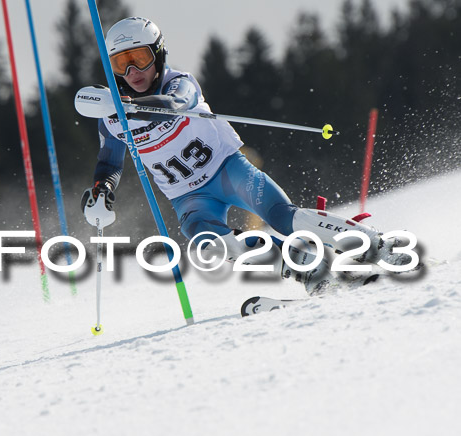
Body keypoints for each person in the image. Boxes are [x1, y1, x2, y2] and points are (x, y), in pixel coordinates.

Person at [80, 17, 410, 295]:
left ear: (159, 54)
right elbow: (109, 161)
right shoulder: (112, 116)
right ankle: (311, 270)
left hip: (227, 170)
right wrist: (102, 191)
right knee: (210, 246)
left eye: (140, 57)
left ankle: (377, 245)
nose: (134, 69)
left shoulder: (179, 83)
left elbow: (173, 106)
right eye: (121, 63)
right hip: (187, 198)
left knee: (284, 217)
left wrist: (131, 108)